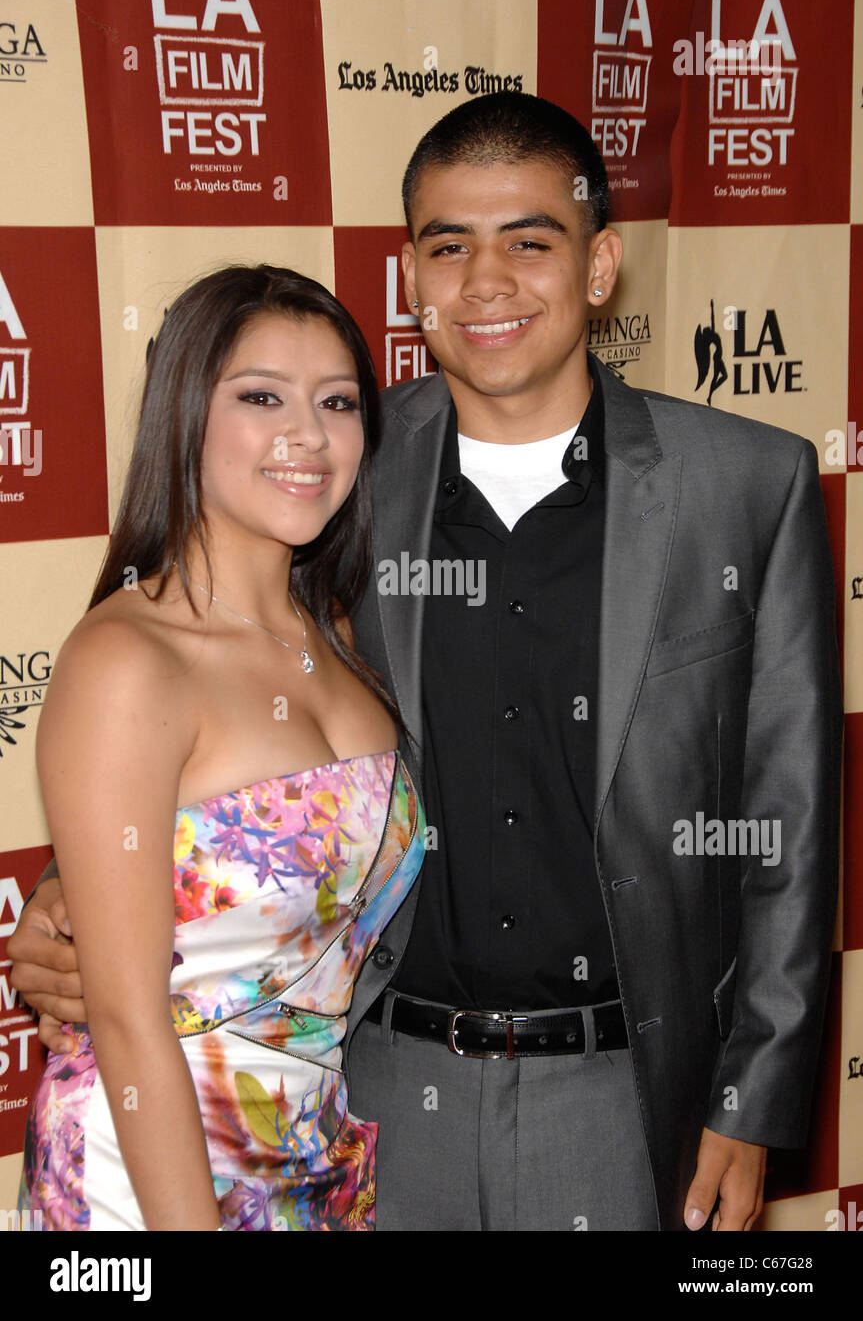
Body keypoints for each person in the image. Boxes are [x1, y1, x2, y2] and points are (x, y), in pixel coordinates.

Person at [11, 95, 841, 1232]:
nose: (484, 281)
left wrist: (747, 1102)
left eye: (529, 241)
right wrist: (79, 903)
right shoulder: (340, 466)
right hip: (375, 1089)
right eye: (448, 245)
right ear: (410, 275)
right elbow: (202, 727)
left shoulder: (743, 485)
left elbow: (785, 827)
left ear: (599, 266)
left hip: (621, 1087)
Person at [13, 264, 425, 1231]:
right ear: (184, 416)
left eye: (336, 401)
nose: (307, 436)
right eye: (259, 397)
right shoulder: (125, 658)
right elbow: (123, 1020)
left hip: (321, 1156)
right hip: (150, 1175)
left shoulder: (339, 636)